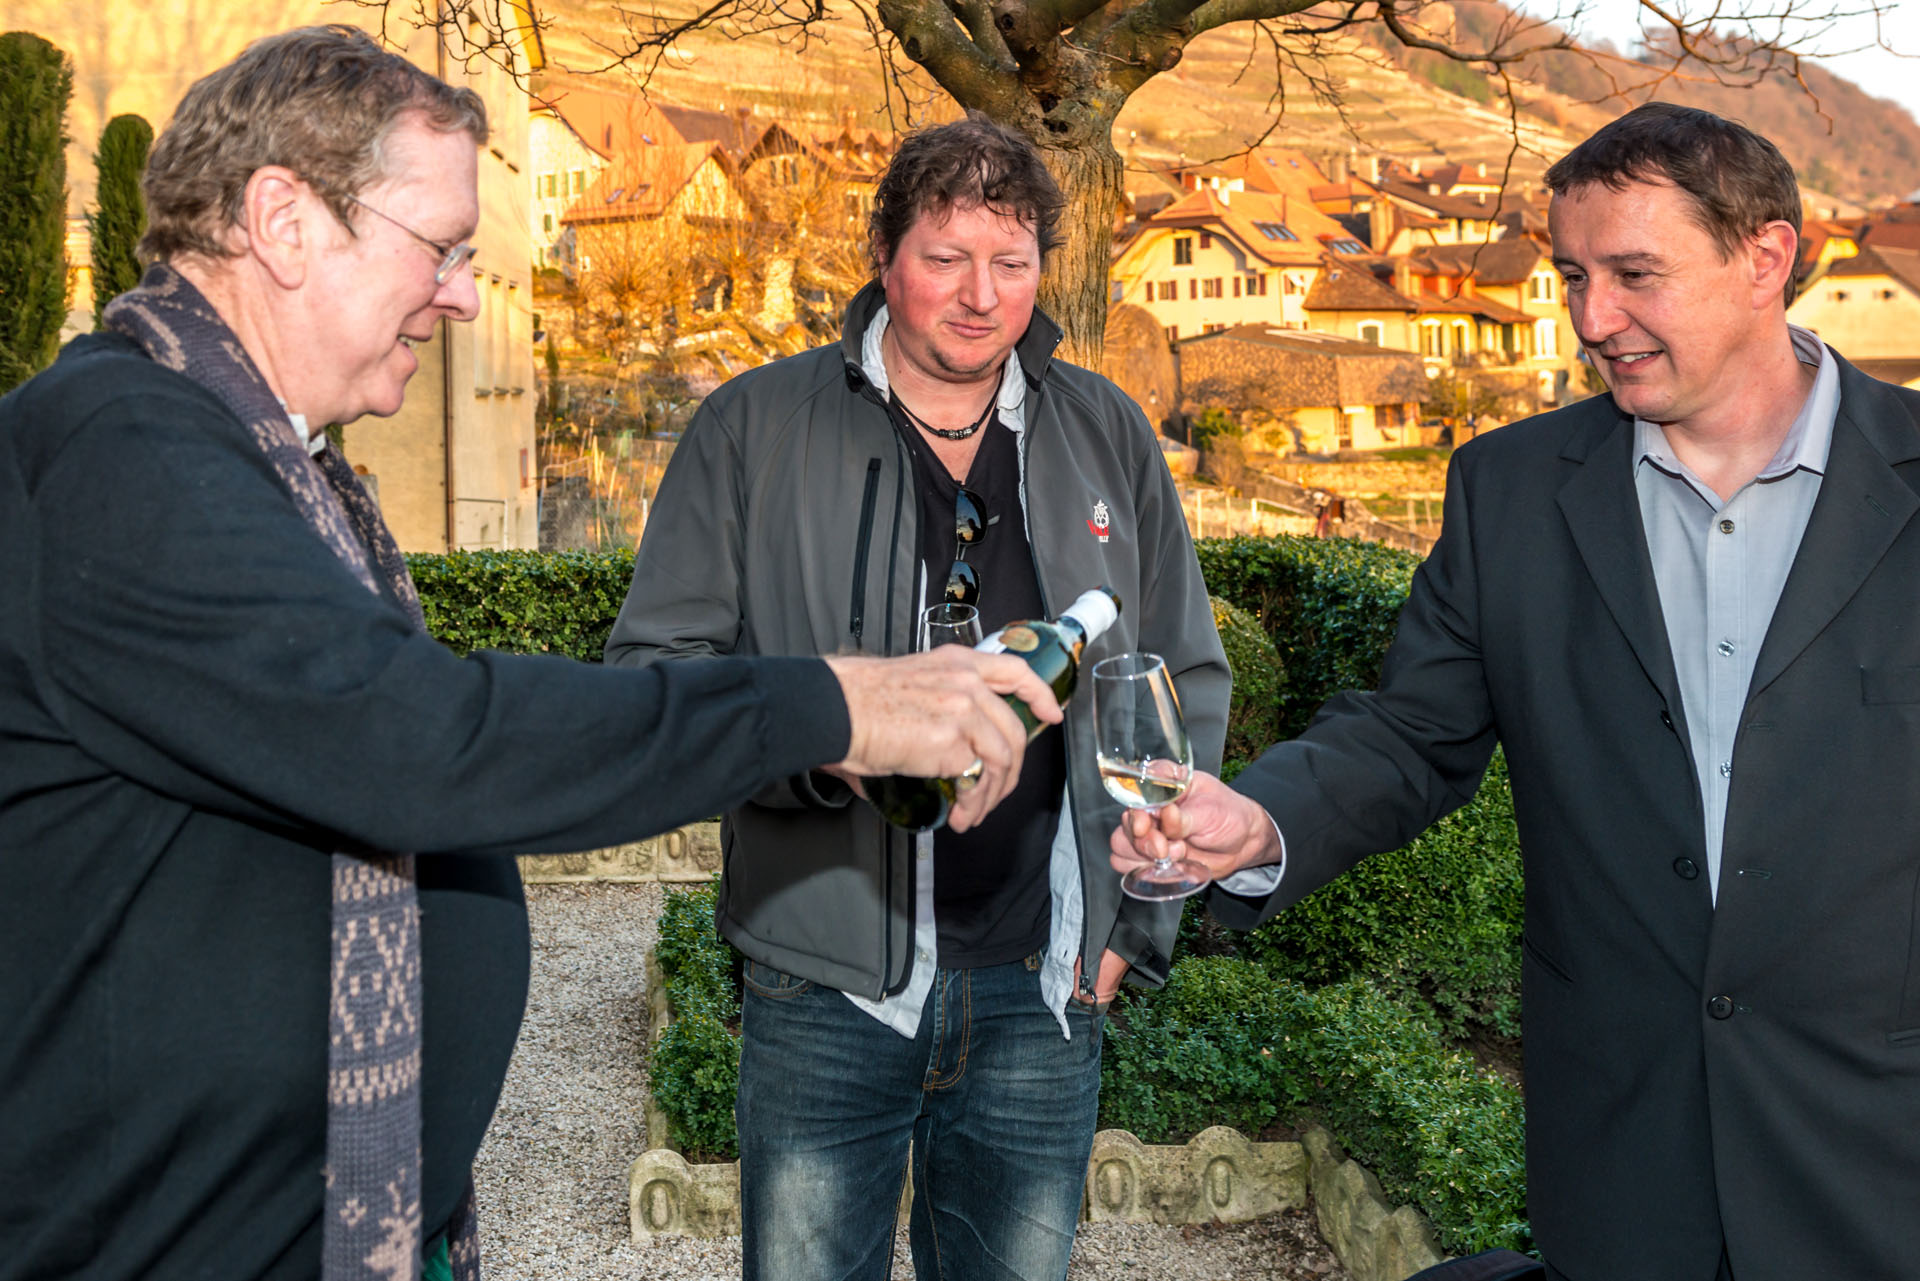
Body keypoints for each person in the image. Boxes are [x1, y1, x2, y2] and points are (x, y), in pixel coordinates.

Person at [0, 28, 1061, 1281]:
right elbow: (419, 739)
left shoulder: (257, 458)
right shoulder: (123, 450)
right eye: (441, 248)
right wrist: (834, 704)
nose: (461, 295)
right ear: (282, 222)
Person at [1113, 102, 1920, 1281]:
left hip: (1883, 1150)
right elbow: (1410, 730)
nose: (1593, 319)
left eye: (1635, 274)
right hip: (1624, 1153)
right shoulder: (1510, 488)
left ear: (1766, 259)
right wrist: (1262, 818)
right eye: (1576, 276)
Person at [605, 117, 1229, 1280]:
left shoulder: (1108, 432)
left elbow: (1179, 681)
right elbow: (654, 680)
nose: (982, 296)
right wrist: (830, 739)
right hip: (820, 981)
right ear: (884, 257)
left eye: (1012, 261)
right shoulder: (754, 428)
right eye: (946, 258)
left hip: (1045, 989)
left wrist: (1137, 926)